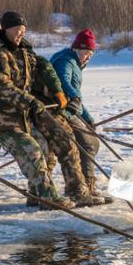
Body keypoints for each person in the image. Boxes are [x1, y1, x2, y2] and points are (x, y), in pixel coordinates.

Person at [0, 11, 86, 210]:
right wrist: (31, 102)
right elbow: (2, 87)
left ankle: (36, 195)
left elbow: (38, 72)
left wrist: (57, 92)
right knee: (32, 151)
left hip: (20, 117)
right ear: (5, 29)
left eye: (23, 30)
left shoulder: (21, 51)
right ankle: (49, 198)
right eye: (17, 30)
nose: (20, 34)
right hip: (0, 119)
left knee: (44, 147)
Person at [51, 29, 105, 197]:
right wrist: (74, 96)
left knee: (93, 143)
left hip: (70, 109)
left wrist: (87, 117)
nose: (87, 57)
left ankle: (85, 182)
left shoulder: (73, 62)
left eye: (90, 54)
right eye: (85, 52)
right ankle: (86, 186)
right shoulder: (66, 61)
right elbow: (62, 79)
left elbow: (76, 100)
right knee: (87, 144)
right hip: (60, 111)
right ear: (76, 49)